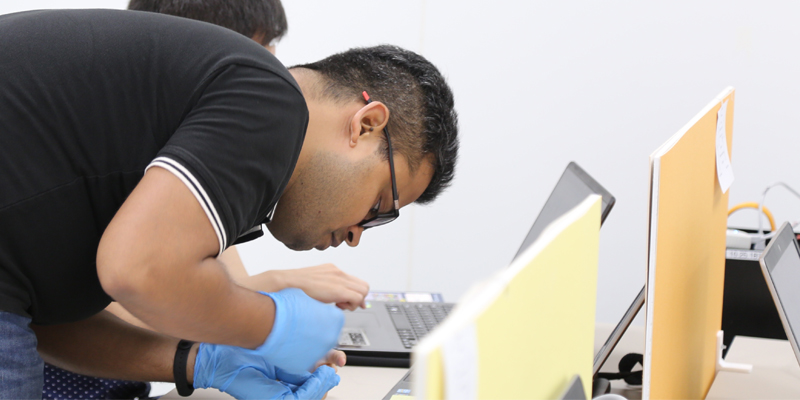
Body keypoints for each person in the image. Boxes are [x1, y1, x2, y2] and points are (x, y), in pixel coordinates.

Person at [0, 8, 458, 400]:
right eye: (380, 205)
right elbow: (136, 269)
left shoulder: (189, 123)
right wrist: (274, 325)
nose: (358, 234)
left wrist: (200, 362)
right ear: (366, 125)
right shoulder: (272, 101)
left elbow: (48, 325)